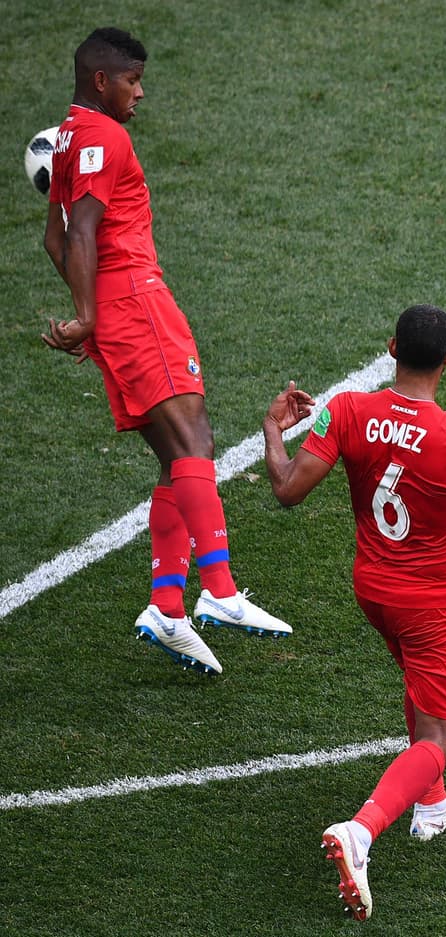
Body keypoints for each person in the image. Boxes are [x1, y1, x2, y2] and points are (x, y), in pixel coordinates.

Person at [262, 304, 446, 921]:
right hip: (434, 605)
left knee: (419, 686)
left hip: (375, 592)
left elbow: (288, 489)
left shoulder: (346, 410)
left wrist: (273, 428)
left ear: (390, 347)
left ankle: (431, 807)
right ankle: (363, 831)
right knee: (443, 737)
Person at [41, 27, 290, 676]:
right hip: (135, 303)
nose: (140, 92)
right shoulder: (101, 136)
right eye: (131, 80)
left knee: (174, 461)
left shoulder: (63, 136)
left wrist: (89, 322)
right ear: (102, 79)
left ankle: (165, 606)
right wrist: (93, 314)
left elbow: (55, 237)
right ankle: (221, 591)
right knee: (195, 442)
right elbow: (85, 230)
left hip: (116, 313)